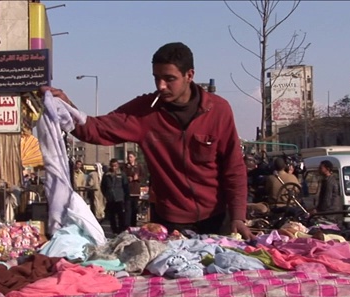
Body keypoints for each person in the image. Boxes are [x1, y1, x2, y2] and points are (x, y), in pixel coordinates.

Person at [41, 42, 252, 239]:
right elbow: (96, 129)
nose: (161, 85)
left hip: (216, 220)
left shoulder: (218, 110)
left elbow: (233, 168)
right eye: (156, 77)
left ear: (189, 75)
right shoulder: (144, 112)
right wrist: (67, 107)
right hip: (168, 223)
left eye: (169, 79)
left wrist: (238, 217)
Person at [101, 159, 129, 235]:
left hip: (120, 198)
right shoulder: (106, 175)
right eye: (112, 166)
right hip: (110, 199)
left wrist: (125, 197)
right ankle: (114, 231)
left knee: (121, 216)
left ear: (118, 165)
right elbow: (103, 186)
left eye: (115, 166)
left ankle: (121, 230)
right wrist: (107, 195)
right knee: (112, 216)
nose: (114, 167)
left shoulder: (122, 174)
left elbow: (125, 187)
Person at [124, 151, 142, 227]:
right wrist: (127, 178)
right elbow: (122, 176)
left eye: (131, 157)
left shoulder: (139, 166)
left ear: (134, 157)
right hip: (128, 190)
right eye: (128, 157)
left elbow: (143, 176)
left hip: (136, 190)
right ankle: (127, 226)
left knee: (134, 209)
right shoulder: (125, 166)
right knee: (128, 209)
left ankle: (133, 225)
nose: (129, 158)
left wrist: (138, 178)